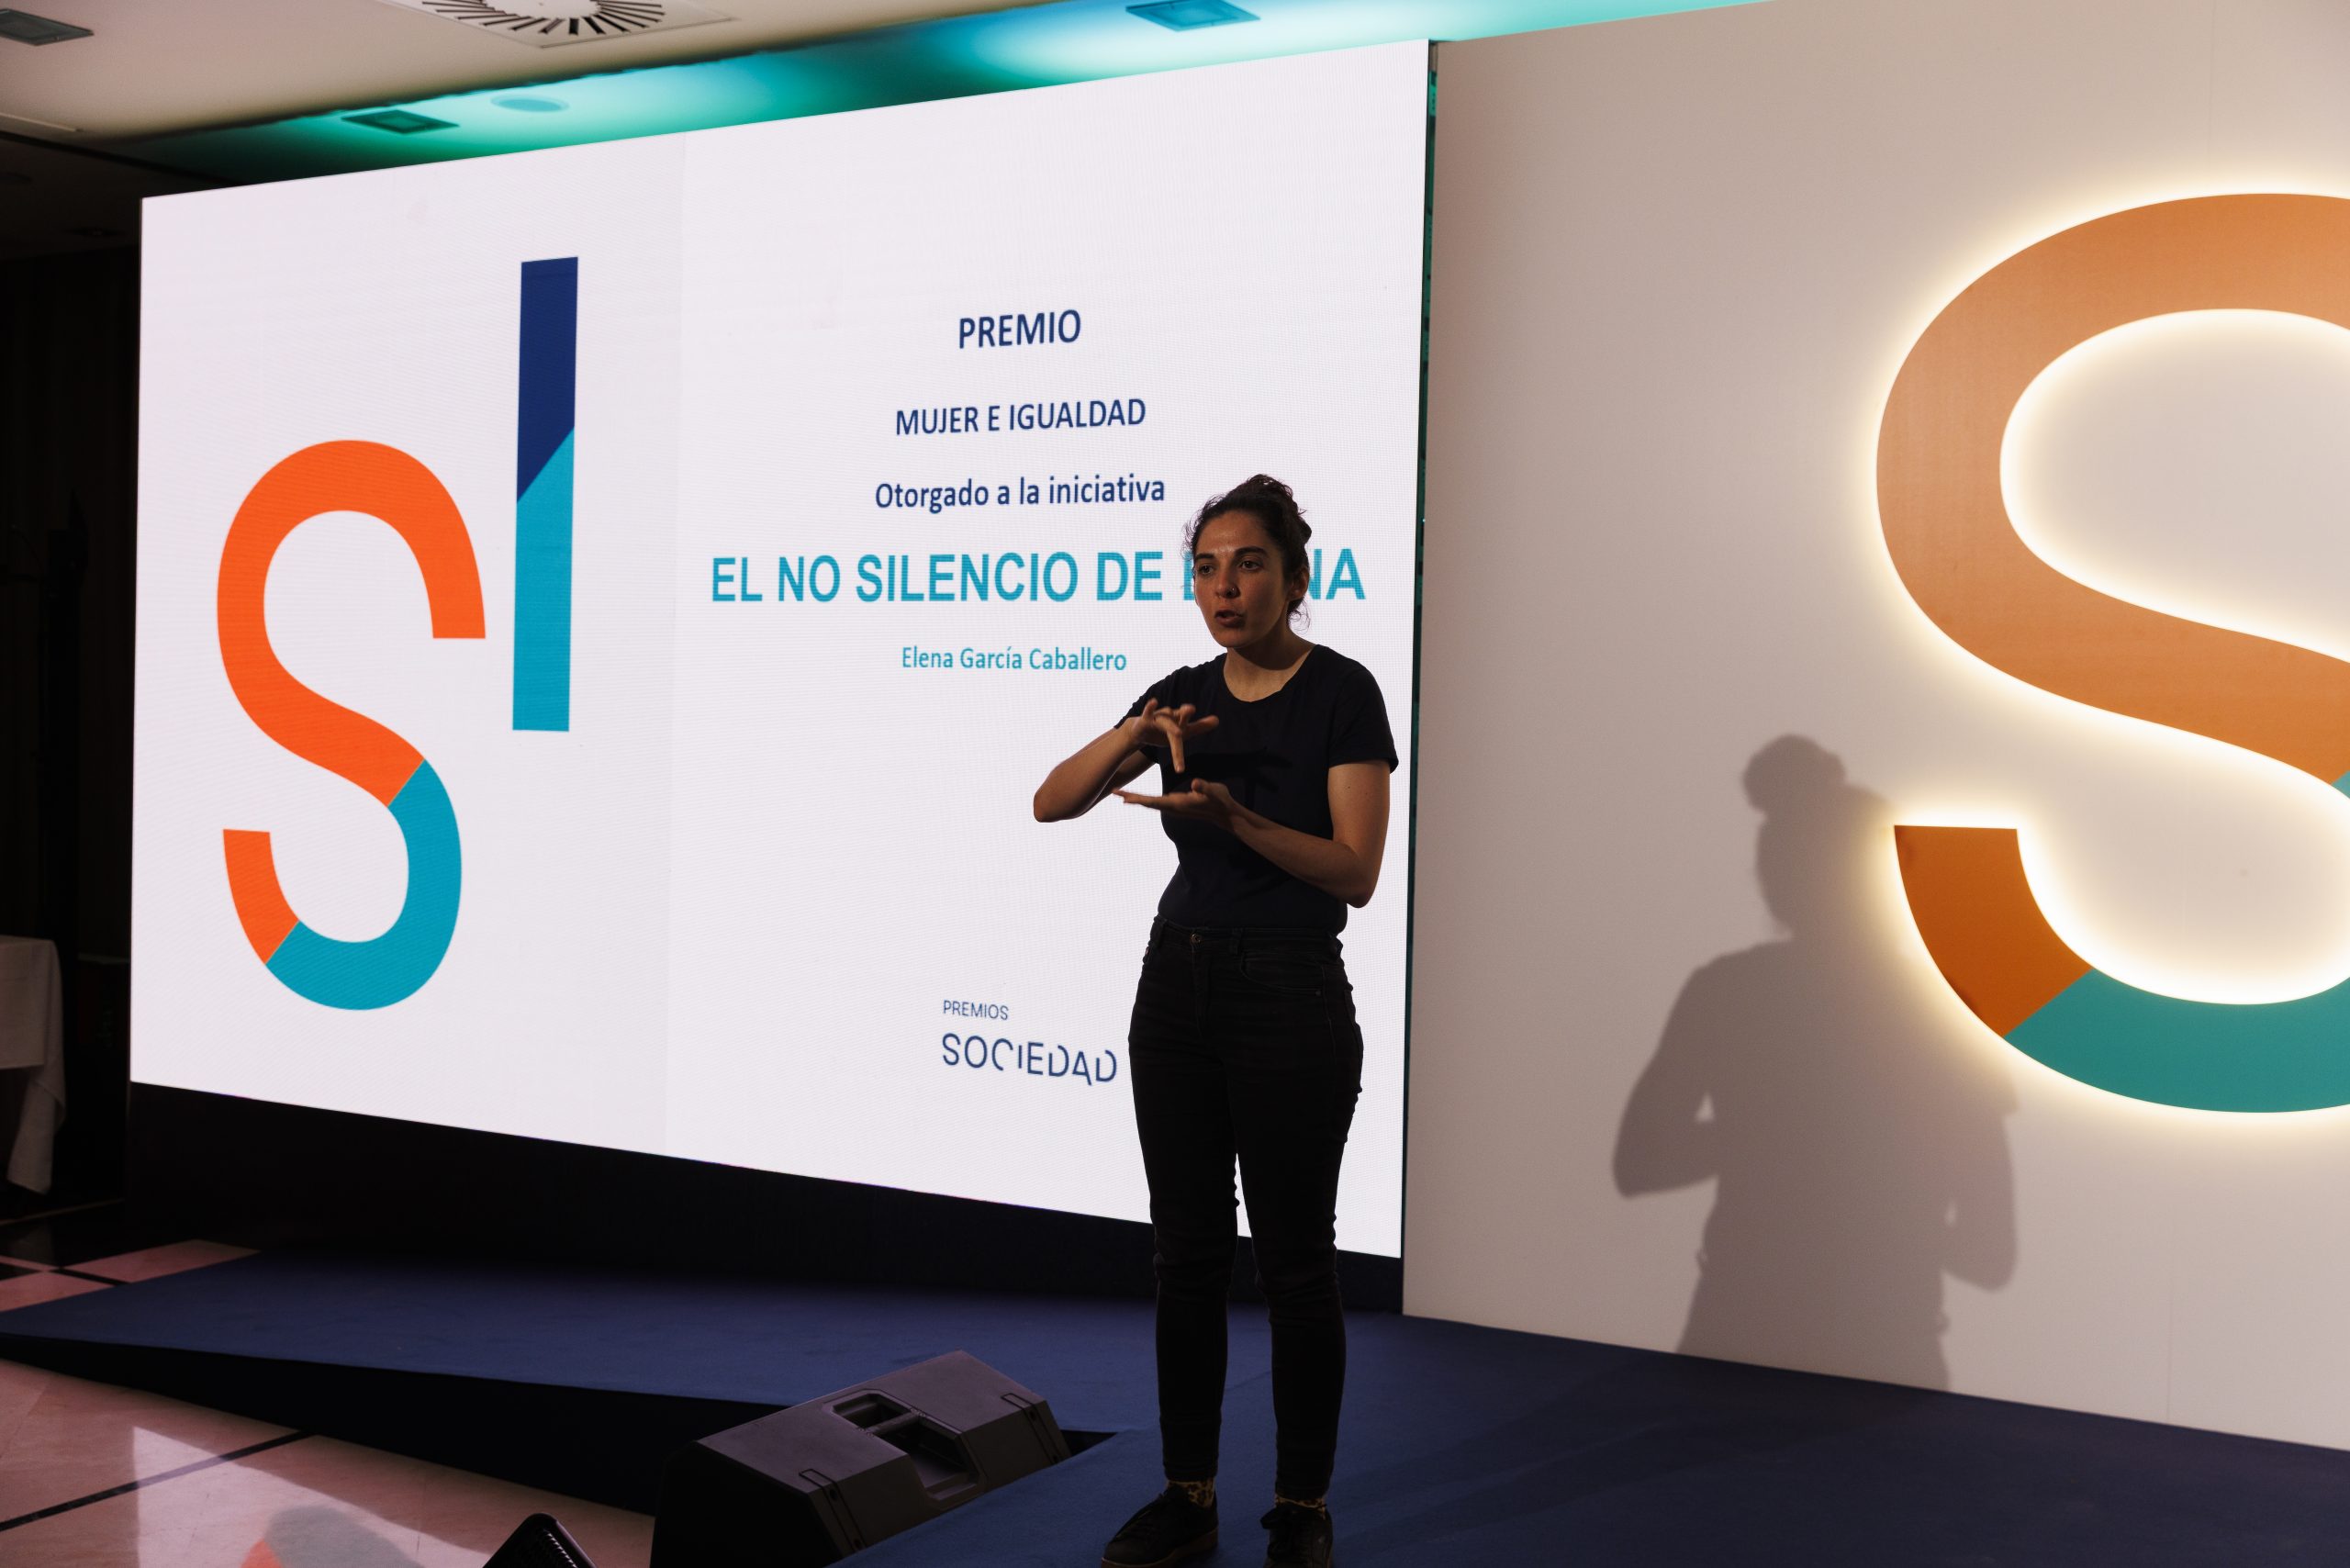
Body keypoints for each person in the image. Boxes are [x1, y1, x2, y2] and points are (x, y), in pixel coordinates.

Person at [1033, 475, 1397, 1568]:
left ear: (1294, 574)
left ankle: (1300, 1505)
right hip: (1175, 987)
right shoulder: (1180, 696)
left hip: (1290, 990)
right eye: (1205, 567)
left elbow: (1355, 871)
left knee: (1294, 1263)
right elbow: (1052, 800)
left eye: (1247, 564)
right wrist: (1133, 733)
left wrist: (1239, 820)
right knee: (1185, 1254)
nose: (1224, 587)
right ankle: (1187, 1491)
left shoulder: (1342, 691)